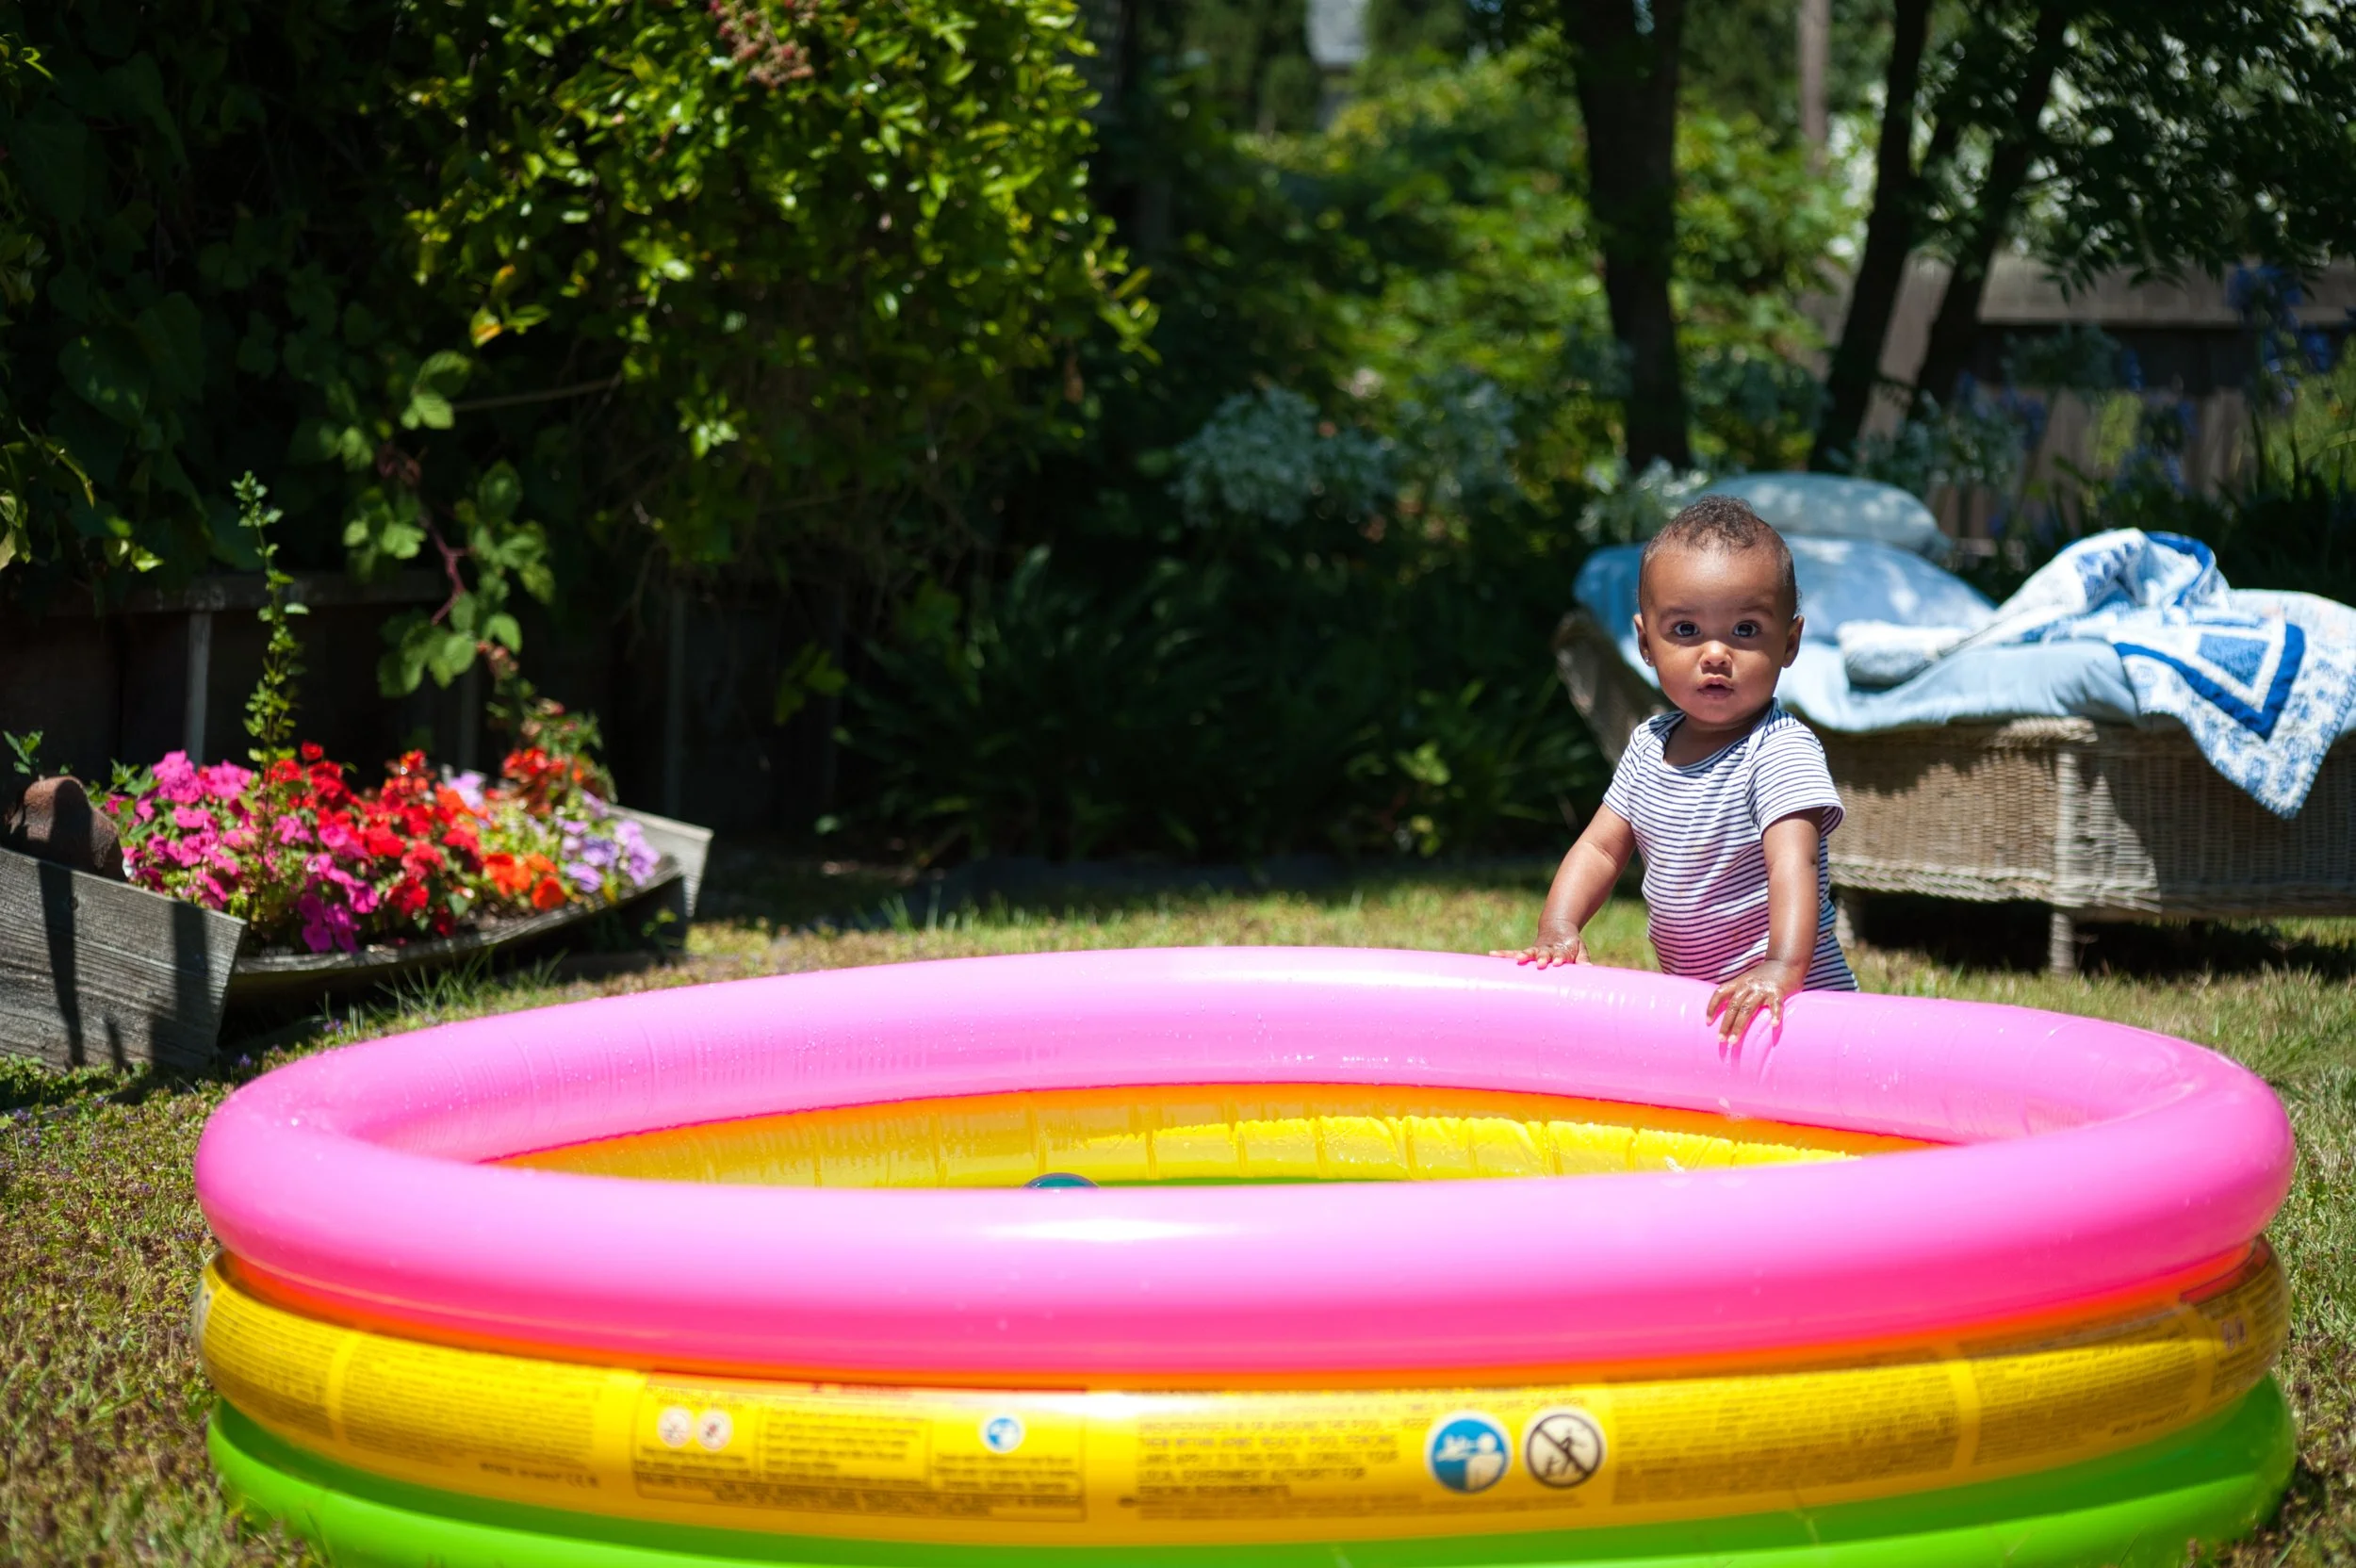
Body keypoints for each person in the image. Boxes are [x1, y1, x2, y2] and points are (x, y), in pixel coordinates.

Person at [1495, 495, 1856, 1039]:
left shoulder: (1778, 750)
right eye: (1686, 630)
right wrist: (1560, 927)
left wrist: (1782, 969)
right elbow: (1599, 848)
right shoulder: (1647, 747)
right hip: (1702, 1002)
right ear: (1646, 642)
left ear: (1790, 642)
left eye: (1746, 629)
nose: (1715, 653)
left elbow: (1793, 867)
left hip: (1796, 1007)